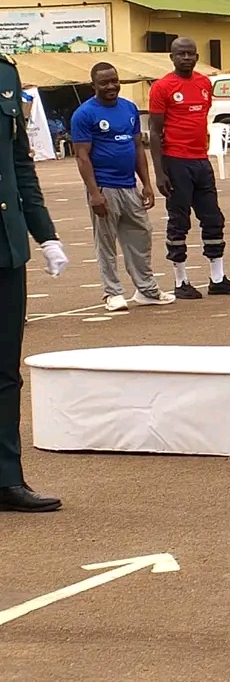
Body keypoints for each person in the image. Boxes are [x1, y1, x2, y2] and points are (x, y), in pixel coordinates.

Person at [0, 54, 68, 512]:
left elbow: (19, 164)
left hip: (6, 245)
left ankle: (7, 479)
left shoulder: (5, 73)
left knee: (5, 373)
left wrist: (45, 234)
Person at [148, 37, 230, 300]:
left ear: (196, 56)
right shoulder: (162, 87)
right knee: (179, 221)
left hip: (201, 160)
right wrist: (159, 172)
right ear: (171, 57)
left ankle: (218, 278)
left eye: (190, 53)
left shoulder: (204, 83)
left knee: (213, 218)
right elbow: (155, 132)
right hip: (175, 161)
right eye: (181, 54)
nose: (186, 58)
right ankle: (181, 280)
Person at [72, 62, 174, 312]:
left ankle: (146, 290)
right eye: (104, 83)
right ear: (93, 85)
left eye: (114, 81)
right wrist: (94, 193)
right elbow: (82, 156)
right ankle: (113, 293)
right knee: (106, 241)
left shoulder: (129, 108)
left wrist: (146, 184)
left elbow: (137, 147)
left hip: (130, 186)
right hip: (104, 187)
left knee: (141, 236)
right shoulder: (84, 114)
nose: (111, 86)